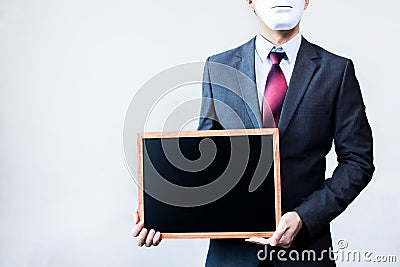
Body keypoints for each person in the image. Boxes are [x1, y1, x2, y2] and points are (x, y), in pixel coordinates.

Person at [132, 0, 375, 266]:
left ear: (306, 0)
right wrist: (161, 212)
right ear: (250, 2)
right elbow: (204, 157)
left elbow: (358, 161)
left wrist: (305, 217)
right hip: (231, 254)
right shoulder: (218, 67)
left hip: (305, 252)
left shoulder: (336, 71)